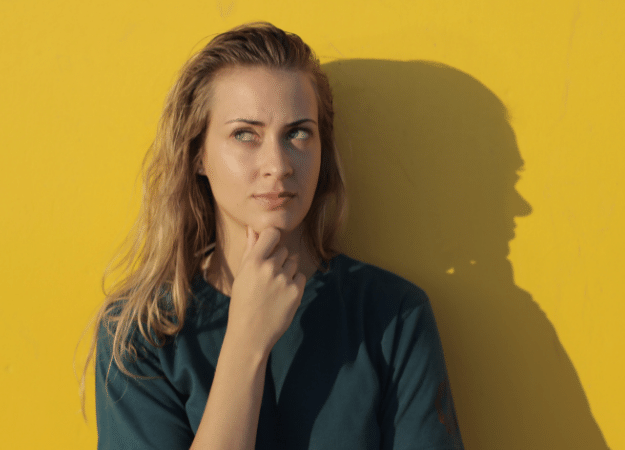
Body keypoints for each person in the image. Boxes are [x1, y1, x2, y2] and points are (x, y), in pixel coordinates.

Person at [83, 22, 464, 449]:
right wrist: (246, 341)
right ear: (198, 155)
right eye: (244, 134)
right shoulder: (141, 332)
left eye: (298, 133)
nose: (278, 165)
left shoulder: (393, 314)